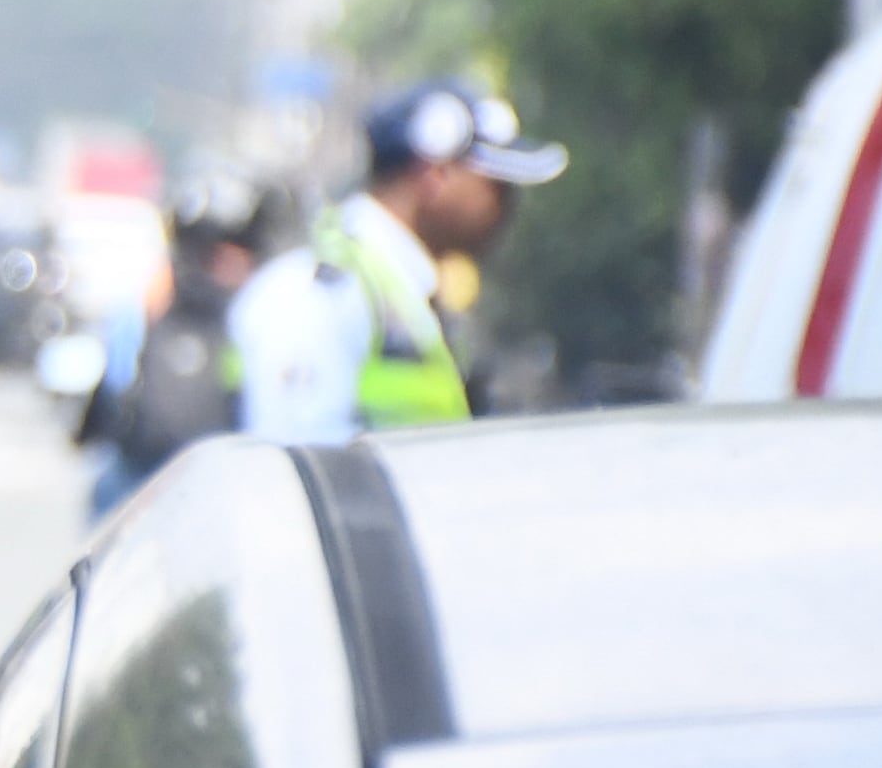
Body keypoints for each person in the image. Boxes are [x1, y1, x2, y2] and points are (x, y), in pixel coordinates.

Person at [233, 80, 567, 442]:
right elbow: (300, 459)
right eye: (496, 187)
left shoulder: (400, 288)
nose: (507, 207)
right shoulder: (322, 292)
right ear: (434, 174)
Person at [80, 177, 266, 513]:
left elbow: (114, 388)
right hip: (164, 480)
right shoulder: (147, 306)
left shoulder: (146, 303)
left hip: (190, 484)